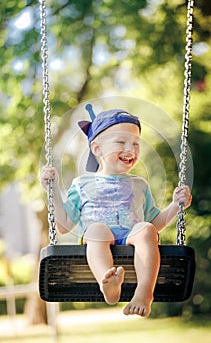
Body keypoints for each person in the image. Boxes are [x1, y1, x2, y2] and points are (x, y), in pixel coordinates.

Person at [40, 105, 192, 317]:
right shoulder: (82, 184)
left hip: (131, 239)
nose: (130, 149)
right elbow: (64, 225)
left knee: (146, 229)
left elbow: (155, 223)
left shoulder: (139, 184)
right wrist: (52, 190)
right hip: (99, 242)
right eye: (121, 142)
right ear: (97, 148)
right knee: (97, 230)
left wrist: (176, 205)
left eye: (136, 143)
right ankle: (108, 281)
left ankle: (144, 292)